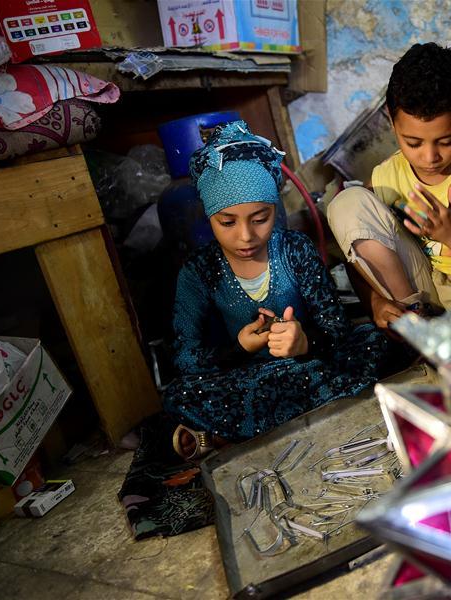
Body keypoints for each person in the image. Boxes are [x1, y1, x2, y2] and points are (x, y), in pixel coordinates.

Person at [162, 120, 407, 459]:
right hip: (247, 378)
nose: (246, 236)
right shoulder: (199, 271)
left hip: (309, 366)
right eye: (228, 222)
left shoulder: (295, 250)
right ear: (209, 218)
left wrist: (305, 341)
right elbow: (185, 358)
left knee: (377, 342)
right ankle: (301, 416)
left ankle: (229, 434)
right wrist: (240, 348)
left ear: (275, 210)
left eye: (259, 218)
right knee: (180, 393)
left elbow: (336, 329)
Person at [326, 42, 451, 329]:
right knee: (348, 202)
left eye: (446, 141)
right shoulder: (386, 178)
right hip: (431, 294)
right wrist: (375, 302)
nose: (430, 157)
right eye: (414, 143)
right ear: (391, 119)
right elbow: (357, 255)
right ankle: (415, 323)